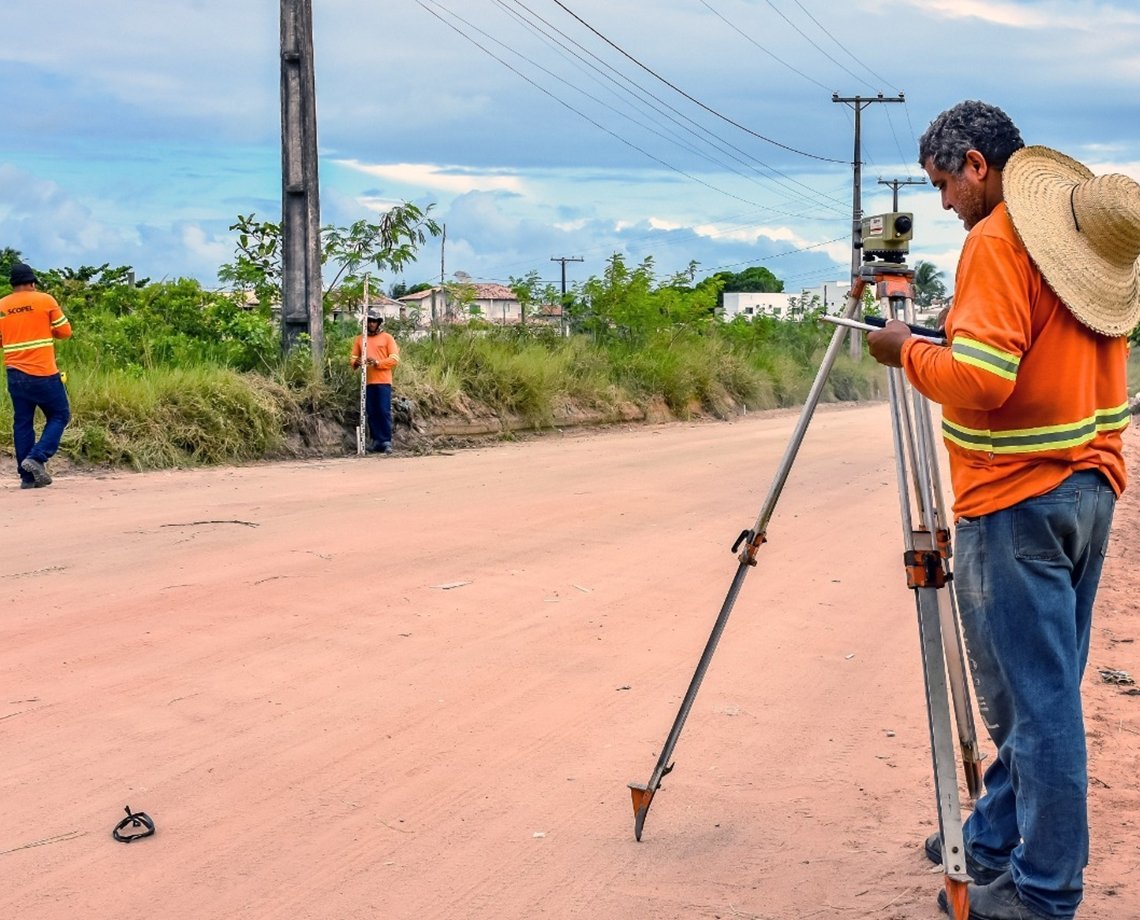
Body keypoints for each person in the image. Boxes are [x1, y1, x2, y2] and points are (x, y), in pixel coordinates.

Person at [868, 101, 1139, 920]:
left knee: (1036, 703)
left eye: (944, 183)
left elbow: (985, 381)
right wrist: (945, 336)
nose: (944, 204)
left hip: (1018, 496)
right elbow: (1025, 346)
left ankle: (1044, 890)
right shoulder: (1079, 242)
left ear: (977, 165)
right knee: (1045, 687)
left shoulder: (995, 240)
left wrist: (906, 350)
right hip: (1090, 487)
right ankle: (990, 836)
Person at [0, 262, 73, 489]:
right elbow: (65, 331)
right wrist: (43, 327)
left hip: (15, 374)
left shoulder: (2, 306)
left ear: (12, 285)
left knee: (23, 422)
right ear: (32, 283)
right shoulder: (45, 300)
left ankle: (27, 478)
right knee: (60, 415)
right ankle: (38, 457)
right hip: (43, 373)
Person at [350, 307, 399, 454]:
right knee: (371, 412)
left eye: (374, 321)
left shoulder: (387, 338)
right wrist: (356, 362)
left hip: (383, 381)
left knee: (383, 411)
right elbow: (352, 358)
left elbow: (394, 359)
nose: (371, 324)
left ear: (379, 323)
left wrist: (377, 363)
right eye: (369, 321)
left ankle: (386, 441)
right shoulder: (360, 340)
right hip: (368, 382)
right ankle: (376, 441)